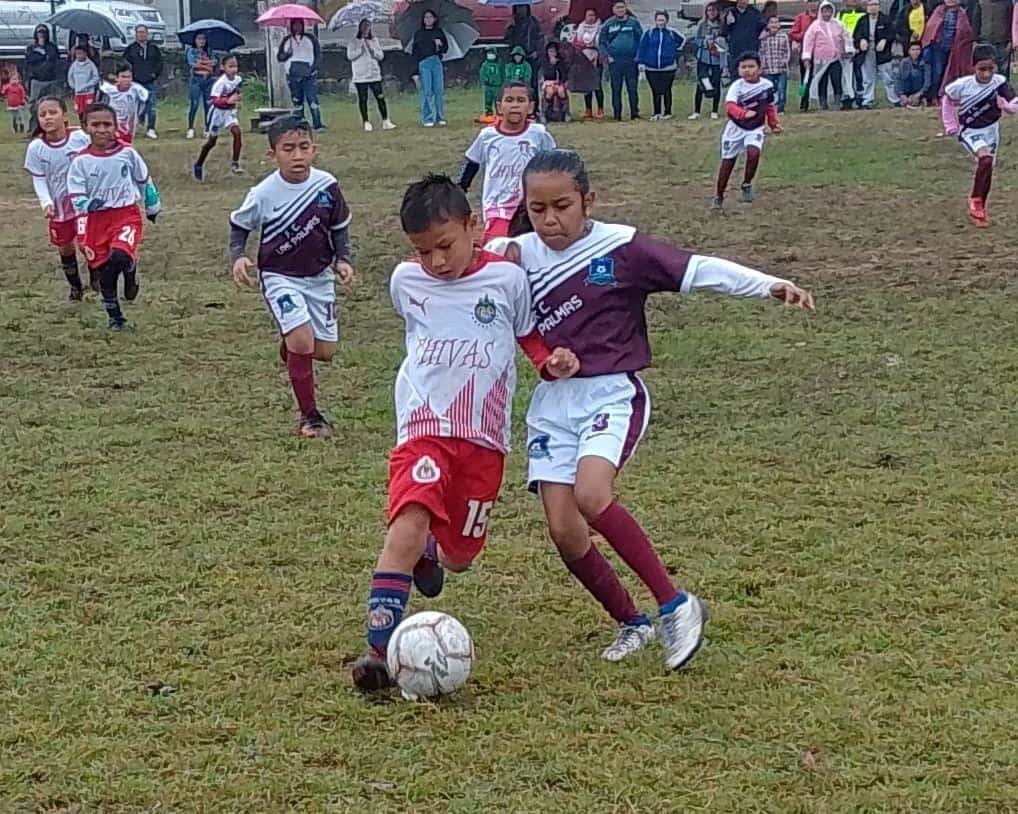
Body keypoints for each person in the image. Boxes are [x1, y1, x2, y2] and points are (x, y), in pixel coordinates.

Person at [489, 149, 813, 669]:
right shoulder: (515, 256)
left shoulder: (621, 247)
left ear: (587, 200)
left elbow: (695, 268)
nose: (550, 220)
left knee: (593, 495)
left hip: (612, 394)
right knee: (564, 529)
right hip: (553, 406)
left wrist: (768, 284)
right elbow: (468, 272)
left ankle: (674, 603)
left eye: (562, 206)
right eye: (538, 209)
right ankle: (631, 624)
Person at [350, 175, 579, 694]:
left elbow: (526, 335)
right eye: (422, 251)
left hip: (484, 440)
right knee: (405, 524)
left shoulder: (507, 280)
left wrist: (551, 362)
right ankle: (379, 651)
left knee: (461, 556)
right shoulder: (404, 281)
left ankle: (434, 551)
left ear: (473, 226)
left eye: (445, 246)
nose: (435, 262)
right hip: (424, 429)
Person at [229, 117, 354, 438]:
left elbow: (339, 226)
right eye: (288, 149)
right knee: (302, 339)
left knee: (324, 351)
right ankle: (310, 417)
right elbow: (240, 224)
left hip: (319, 277)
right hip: (279, 276)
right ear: (273, 155)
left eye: (304, 147)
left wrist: (343, 260)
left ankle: (292, 350)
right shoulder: (263, 193)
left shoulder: (326, 186)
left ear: (315, 150)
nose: (297, 156)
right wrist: (238, 256)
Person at [67, 103, 161, 330]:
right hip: (96, 221)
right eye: (95, 124)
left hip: (125, 215)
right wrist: (87, 204)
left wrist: (152, 205)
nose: (102, 129)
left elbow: (144, 179)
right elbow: (75, 192)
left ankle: (126, 272)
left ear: (116, 126)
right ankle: (115, 318)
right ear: (85, 127)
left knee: (117, 257)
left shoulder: (128, 153)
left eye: (107, 124)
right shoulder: (80, 161)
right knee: (101, 267)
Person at [460, 81, 556, 242]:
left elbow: (553, 162)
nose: (515, 105)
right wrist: (460, 188)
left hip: (531, 204)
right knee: (498, 246)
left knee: (532, 246)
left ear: (531, 107)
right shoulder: (487, 136)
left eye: (520, 100)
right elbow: (472, 162)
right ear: (499, 107)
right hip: (497, 206)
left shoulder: (538, 133)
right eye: (509, 100)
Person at [942, 44, 1018, 226]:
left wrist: (1006, 106)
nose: (986, 74)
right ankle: (975, 199)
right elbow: (948, 100)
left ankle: (980, 209)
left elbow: (1014, 104)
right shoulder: (962, 85)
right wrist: (950, 124)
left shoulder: (999, 82)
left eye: (990, 69)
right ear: (973, 67)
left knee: (988, 168)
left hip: (992, 130)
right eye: (982, 69)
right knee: (984, 160)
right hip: (970, 130)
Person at [24, 96, 92, 299]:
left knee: (86, 242)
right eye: (42, 114)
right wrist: (46, 202)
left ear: (65, 116)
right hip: (59, 207)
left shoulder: (81, 137)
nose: (47, 118)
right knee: (65, 246)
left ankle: (98, 278)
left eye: (52, 112)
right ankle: (76, 287)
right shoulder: (36, 148)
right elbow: (39, 179)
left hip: (84, 203)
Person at [713, 51, 781, 210]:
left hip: (755, 128)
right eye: (743, 67)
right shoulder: (736, 86)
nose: (747, 70)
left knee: (753, 153)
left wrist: (773, 123)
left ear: (760, 69)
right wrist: (743, 114)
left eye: (751, 66)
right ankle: (719, 195)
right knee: (728, 163)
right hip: (735, 129)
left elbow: (770, 106)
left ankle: (746, 183)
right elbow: (729, 107)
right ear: (738, 70)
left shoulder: (767, 86)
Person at [194, 54, 243, 181]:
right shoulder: (220, 83)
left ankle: (235, 163)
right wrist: (228, 100)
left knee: (237, 132)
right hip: (217, 113)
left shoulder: (237, 79)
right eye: (230, 66)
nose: (234, 69)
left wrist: (237, 98)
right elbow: (215, 101)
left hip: (229, 113)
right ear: (223, 67)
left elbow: (236, 91)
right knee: (211, 142)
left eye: (236, 66)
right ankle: (199, 164)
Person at [922, 0, 975, 106]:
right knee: (937, 73)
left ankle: (948, 97)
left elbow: (966, 32)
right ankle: (934, 97)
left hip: (955, 50)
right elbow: (931, 27)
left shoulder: (962, 13)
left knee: (951, 73)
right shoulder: (939, 10)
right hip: (939, 48)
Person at [802, 1, 854, 110]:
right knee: (822, 81)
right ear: (821, 12)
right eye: (825, 11)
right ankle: (823, 103)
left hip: (836, 59)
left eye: (829, 11)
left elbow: (846, 37)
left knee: (837, 79)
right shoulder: (815, 26)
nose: (827, 14)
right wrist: (807, 57)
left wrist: (848, 49)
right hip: (821, 60)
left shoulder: (838, 24)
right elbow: (808, 42)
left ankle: (837, 102)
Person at [349, 19, 396, 132]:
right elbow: (350, 56)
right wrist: (360, 49)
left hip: (374, 74)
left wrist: (372, 50)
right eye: (364, 26)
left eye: (368, 26)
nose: (366, 29)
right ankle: (366, 121)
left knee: (380, 97)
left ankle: (385, 120)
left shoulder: (374, 40)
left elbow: (380, 56)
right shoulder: (354, 41)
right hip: (360, 75)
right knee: (363, 99)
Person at [277, 20, 325, 130]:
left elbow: (317, 54)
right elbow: (280, 57)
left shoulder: (311, 39)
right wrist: (287, 54)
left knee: (312, 99)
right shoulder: (287, 40)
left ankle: (317, 124)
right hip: (293, 74)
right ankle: (299, 123)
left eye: (299, 25)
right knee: (297, 100)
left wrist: (314, 69)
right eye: (294, 25)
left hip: (309, 74)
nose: (297, 27)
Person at [600, 0, 643, 121]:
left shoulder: (633, 23)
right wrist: (607, 56)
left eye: (622, 7)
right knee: (616, 89)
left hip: (631, 61)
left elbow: (641, 40)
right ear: (613, 9)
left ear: (626, 8)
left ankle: (634, 113)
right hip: (615, 62)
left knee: (632, 88)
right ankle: (617, 114)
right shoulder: (608, 24)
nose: (620, 10)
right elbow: (602, 42)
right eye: (618, 7)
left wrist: (638, 57)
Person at [637, 11, 684, 120]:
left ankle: (667, 112)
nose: (660, 22)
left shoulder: (672, 33)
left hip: (668, 67)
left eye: (663, 20)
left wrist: (673, 52)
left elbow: (682, 41)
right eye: (659, 20)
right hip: (651, 67)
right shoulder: (649, 33)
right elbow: (642, 47)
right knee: (655, 90)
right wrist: (641, 62)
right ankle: (656, 112)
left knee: (667, 89)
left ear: (667, 20)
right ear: (655, 21)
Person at [853, 0, 899, 108]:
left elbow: (892, 34)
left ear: (879, 6)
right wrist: (861, 40)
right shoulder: (862, 20)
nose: (873, 7)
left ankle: (894, 99)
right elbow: (856, 35)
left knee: (888, 77)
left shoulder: (886, 19)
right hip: (867, 53)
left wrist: (884, 40)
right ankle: (867, 100)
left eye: (875, 5)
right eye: (870, 5)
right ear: (867, 7)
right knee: (868, 78)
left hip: (883, 54)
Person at [123, 25, 163, 140]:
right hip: (135, 82)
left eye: (143, 32)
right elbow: (125, 63)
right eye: (139, 32)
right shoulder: (131, 49)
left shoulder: (153, 48)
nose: (141, 34)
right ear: (136, 34)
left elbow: (159, 63)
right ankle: (131, 128)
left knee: (151, 106)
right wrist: (130, 76)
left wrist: (155, 74)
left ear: (147, 33)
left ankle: (151, 128)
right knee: (133, 106)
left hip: (150, 81)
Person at [411, 10, 448, 128]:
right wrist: (415, 72)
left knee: (438, 90)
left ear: (435, 19)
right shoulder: (419, 34)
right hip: (424, 63)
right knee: (426, 91)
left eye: (430, 17)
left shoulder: (439, 32)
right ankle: (427, 117)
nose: (428, 19)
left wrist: (439, 45)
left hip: (436, 61)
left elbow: (445, 49)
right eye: (426, 17)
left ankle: (440, 116)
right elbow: (415, 53)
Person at [691, 2, 725, 119]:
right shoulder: (702, 25)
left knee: (716, 83)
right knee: (702, 82)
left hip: (716, 59)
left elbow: (726, 39)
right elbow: (696, 40)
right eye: (709, 10)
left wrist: (718, 43)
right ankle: (697, 111)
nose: (712, 12)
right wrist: (705, 43)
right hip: (704, 58)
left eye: (714, 10)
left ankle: (714, 110)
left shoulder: (722, 25)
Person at [100, 64, 149, 145]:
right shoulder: (109, 91)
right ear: (117, 78)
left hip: (129, 126)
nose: (126, 80)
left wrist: (140, 117)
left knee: (126, 146)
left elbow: (144, 103)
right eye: (123, 77)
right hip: (111, 125)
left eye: (129, 77)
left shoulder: (137, 90)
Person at [24, 25, 60, 136]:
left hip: (50, 80)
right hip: (36, 80)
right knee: (34, 106)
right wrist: (43, 55)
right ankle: (33, 129)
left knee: (51, 104)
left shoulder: (52, 47)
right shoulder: (31, 47)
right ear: (36, 33)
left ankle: (52, 129)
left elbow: (54, 58)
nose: (41, 34)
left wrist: (44, 53)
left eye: (43, 32)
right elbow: (30, 60)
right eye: (39, 32)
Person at [571, 9, 605, 118]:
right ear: (585, 16)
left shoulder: (600, 28)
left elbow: (603, 42)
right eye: (589, 15)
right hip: (584, 58)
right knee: (586, 84)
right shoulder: (581, 27)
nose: (591, 17)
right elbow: (575, 43)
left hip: (596, 57)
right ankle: (588, 109)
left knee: (597, 84)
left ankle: (600, 109)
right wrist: (582, 45)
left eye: (593, 15)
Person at [505, 4, 544, 95]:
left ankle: (534, 104)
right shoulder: (512, 23)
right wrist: (510, 27)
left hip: (531, 55)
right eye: (518, 7)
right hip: (517, 56)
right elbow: (507, 39)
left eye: (523, 7)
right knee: (516, 82)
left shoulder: (534, 22)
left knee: (532, 82)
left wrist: (537, 51)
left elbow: (540, 38)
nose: (521, 10)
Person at [723, 0, 765, 80]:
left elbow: (763, 28)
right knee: (736, 79)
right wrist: (728, 23)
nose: (744, 1)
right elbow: (724, 32)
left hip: (751, 51)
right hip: (735, 52)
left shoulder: (755, 13)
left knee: (751, 78)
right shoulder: (731, 12)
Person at [791, 0, 819, 112]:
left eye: (815, 1)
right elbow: (794, 33)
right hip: (806, 51)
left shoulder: (822, 16)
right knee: (805, 78)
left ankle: (822, 101)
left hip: (820, 51)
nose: (813, 4)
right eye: (810, 1)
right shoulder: (801, 17)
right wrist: (804, 35)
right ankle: (804, 102)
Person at [186, 32, 215, 140]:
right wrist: (206, 64)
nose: (201, 41)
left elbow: (214, 64)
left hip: (208, 80)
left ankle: (208, 128)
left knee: (208, 105)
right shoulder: (191, 51)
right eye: (199, 39)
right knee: (194, 104)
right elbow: (193, 64)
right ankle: (190, 128)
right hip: (196, 80)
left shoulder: (209, 51)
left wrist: (205, 65)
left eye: (203, 39)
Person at [759, 14, 791, 113]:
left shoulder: (783, 36)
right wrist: (761, 64)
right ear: (768, 25)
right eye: (771, 22)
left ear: (779, 25)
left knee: (782, 89)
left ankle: (781, 109)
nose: (774, 24)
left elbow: (787, 50)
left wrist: (786, 60)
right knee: (769, 90)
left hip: (781, 68)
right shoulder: (763, 37)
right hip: (768, 68)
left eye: (776, 22)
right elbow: (761, 51)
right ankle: (770, 108)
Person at [837, 0, 866, 107]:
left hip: (859, 48)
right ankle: (847, 97)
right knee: (846, 75)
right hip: (845, 49)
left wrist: (858, 46)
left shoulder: (863, 13)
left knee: (859, 74)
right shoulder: (841, 14)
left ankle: (860, 97)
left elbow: (864, 30)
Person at [67, 45, 100, 124]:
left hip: (88, 93)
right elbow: (70, 77)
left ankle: (89, 124)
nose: (79, 56)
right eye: (77, 54)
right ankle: (82, 124)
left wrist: (87, 85)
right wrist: (74, 86)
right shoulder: (74, 65)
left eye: (80, 53)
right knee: (80, 111)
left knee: (89, 110)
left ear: (85, 54)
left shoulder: (91, 65)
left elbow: (96, 78)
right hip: (78, 93)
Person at [540, 40, 570, 121]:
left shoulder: (561, 62)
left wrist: (557, 65)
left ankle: (565, 113)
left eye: (553, 51)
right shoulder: (545, 62)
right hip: (548, 83)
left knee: (561, 92)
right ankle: (546, 113)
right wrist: (552, 66)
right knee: (549, 92)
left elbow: (564, 74)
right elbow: (546, 75)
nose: (552, 53)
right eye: (550, 51)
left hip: (559, 82)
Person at [898, 40, 932, 105]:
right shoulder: (904, 62)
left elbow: (927, 82)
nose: (915, 52)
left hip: (920, 91)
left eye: (917, 49)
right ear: (909, 51)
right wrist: (901, 94)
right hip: (906, 92)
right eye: (913, 50)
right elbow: (898, 80)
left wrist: (919, 94)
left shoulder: (925, 63)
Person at [479, 47, 504, 123]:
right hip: (488, 86)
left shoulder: (499, 65)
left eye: (492, 53)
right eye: (488, 53)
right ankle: (489, 115)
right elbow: (482, 74)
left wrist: (503, 83)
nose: (490, 55)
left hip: (497, 86)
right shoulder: (484, 65)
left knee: (498, 100)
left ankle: (499, 114)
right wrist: (486, 80)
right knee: (488, 101)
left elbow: (503, 74)